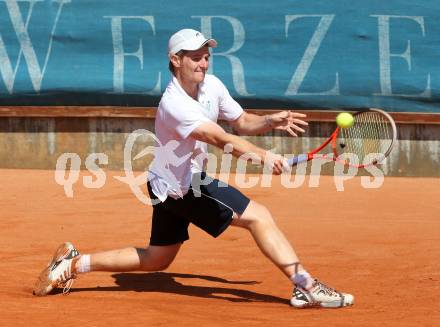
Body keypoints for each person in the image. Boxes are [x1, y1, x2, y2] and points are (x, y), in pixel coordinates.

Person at [33, 28, 354, 308]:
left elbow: (240, 122)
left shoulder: (211, 85)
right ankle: (306, 287)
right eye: (195, 57)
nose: (202, 63)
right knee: (259, 216)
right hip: (184, 186)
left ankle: (73, 265)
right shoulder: (174, 104)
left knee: (158, 258)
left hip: (164, 182)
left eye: (205, 57)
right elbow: (218, 137)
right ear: (175, 60)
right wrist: (264, 156)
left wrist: (269, 120)